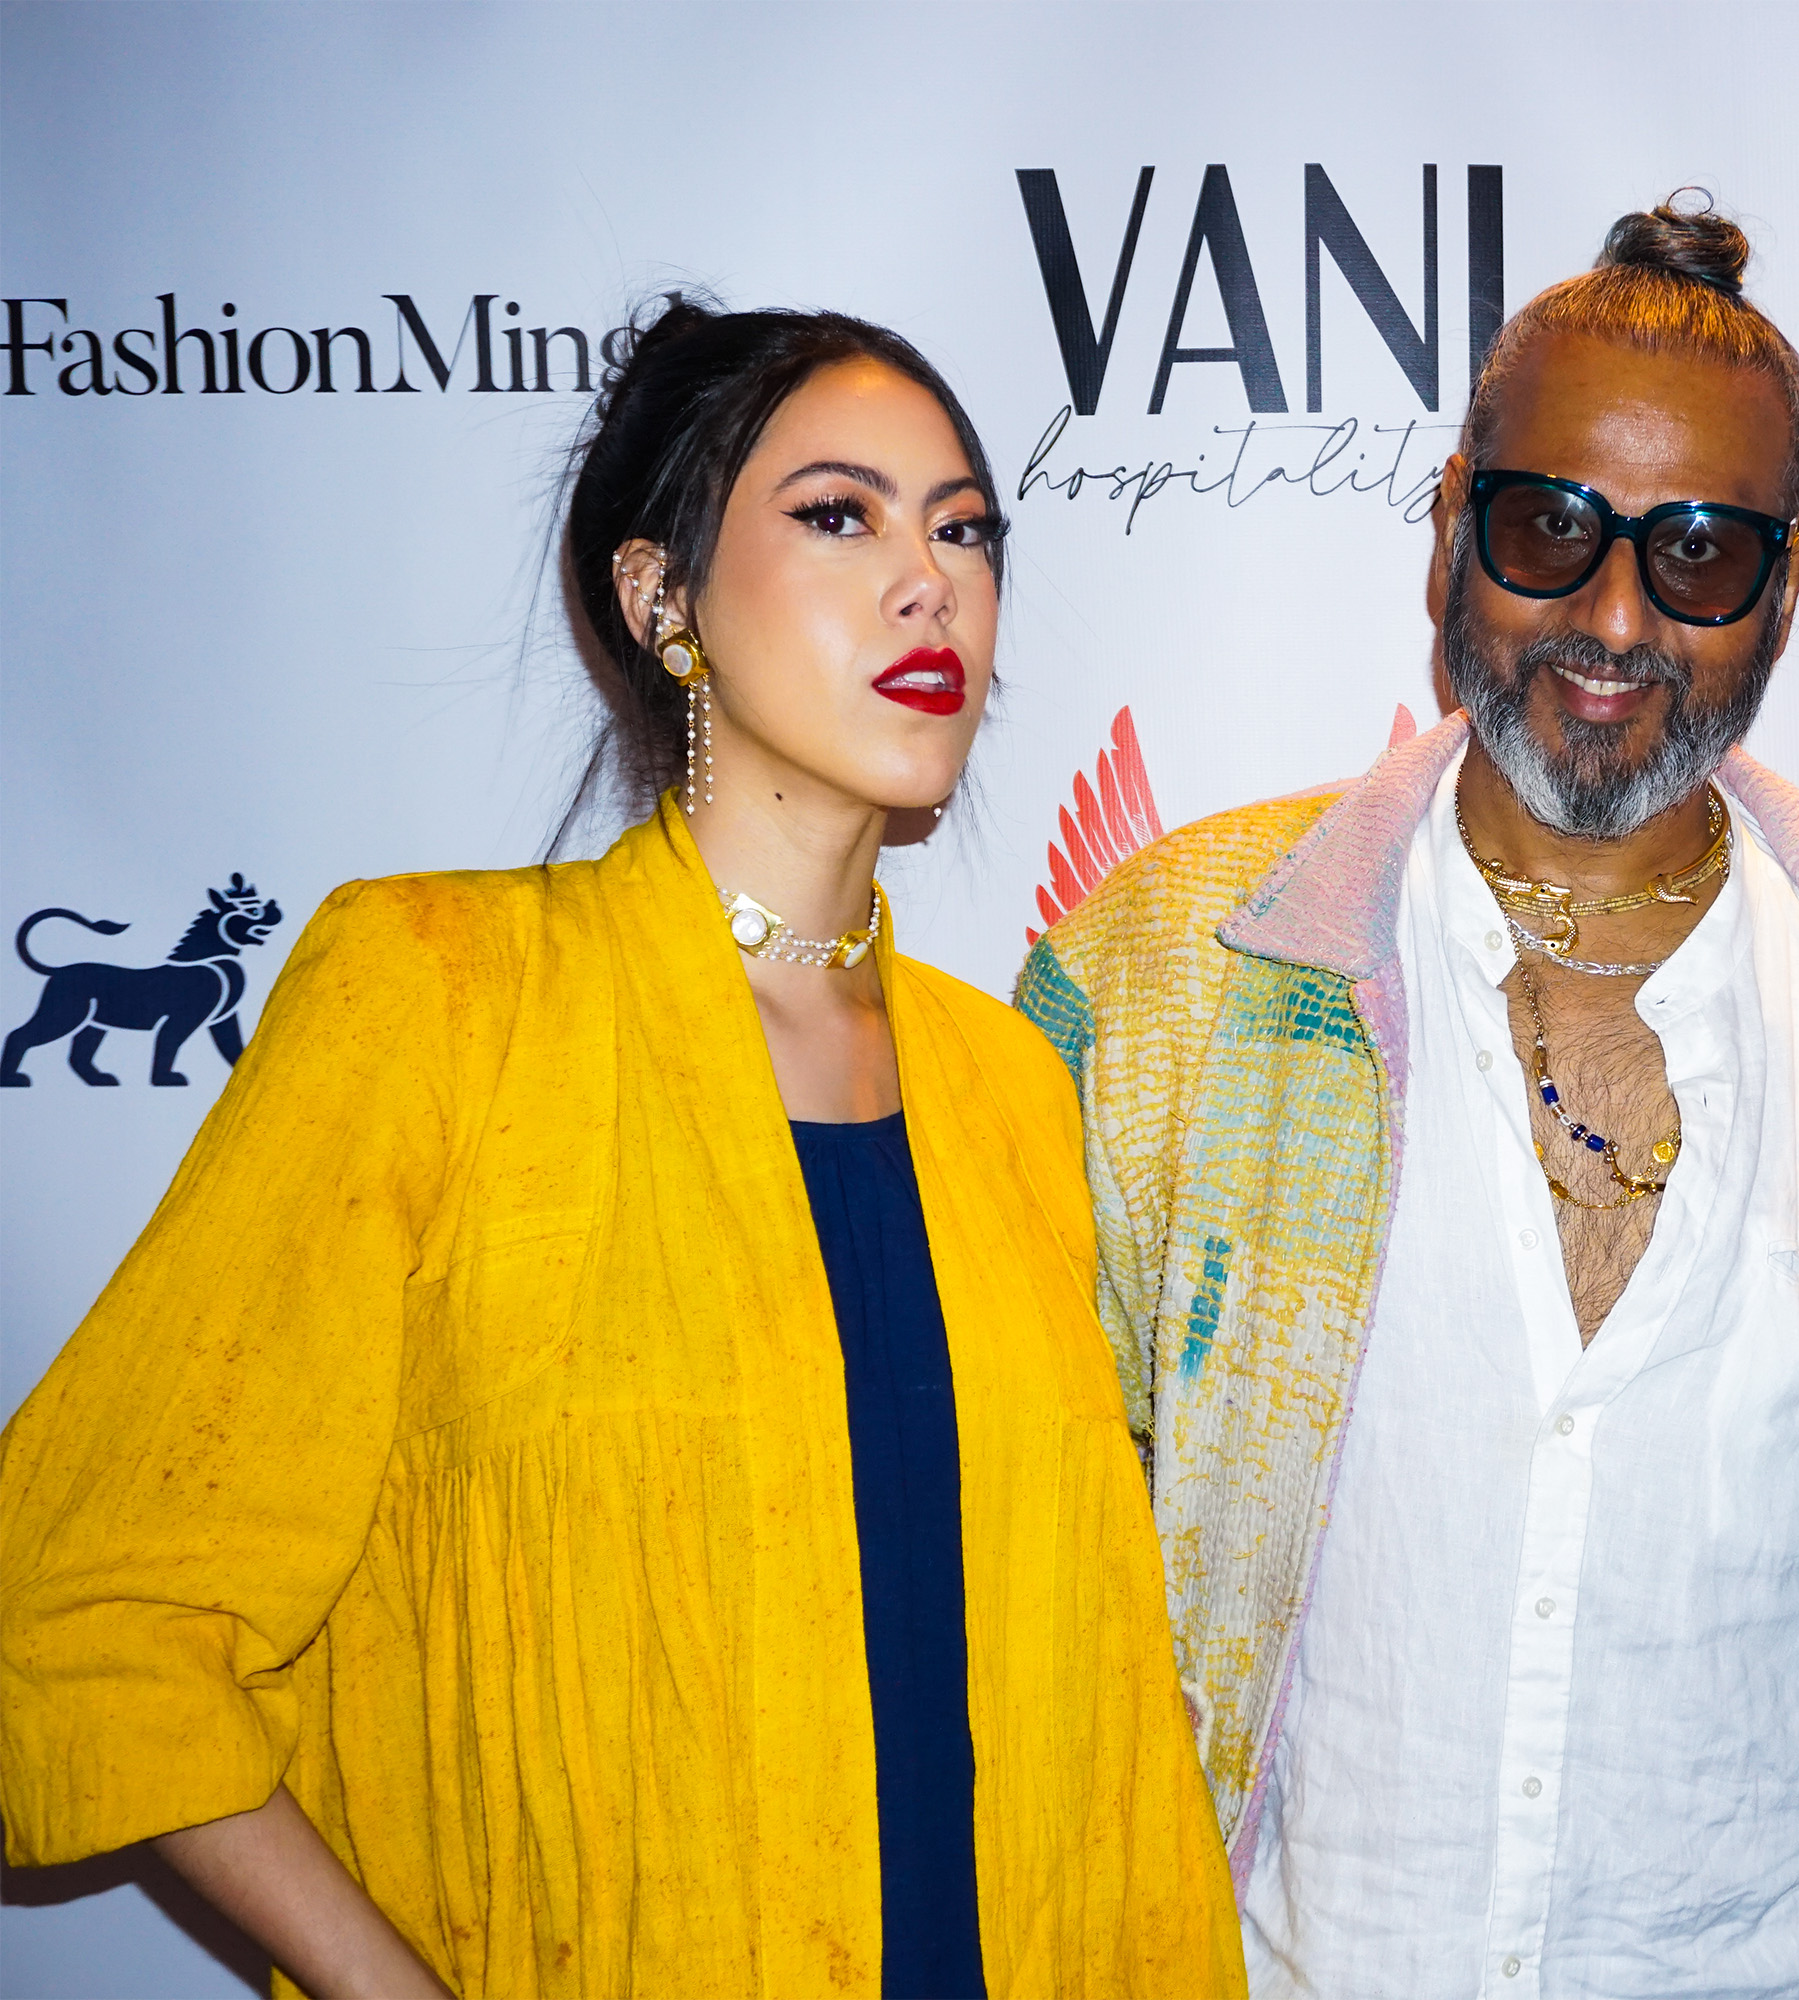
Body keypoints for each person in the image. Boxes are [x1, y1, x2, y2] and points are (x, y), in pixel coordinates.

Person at [0, 299, 1242, 1999]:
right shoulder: (440, 998)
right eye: (839, 516)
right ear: (660, 598)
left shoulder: (1008, 1081)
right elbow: (82, 1615)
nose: (927, 581)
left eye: (964, 528)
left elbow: (1083, 1709)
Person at [1015, 196, 1799, 1998]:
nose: (1614, 614)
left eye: (1699, 553)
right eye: (1550, 526)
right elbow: (1009, 1565)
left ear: (1788, 588)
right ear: (1448, 535)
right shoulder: (1171, 971)